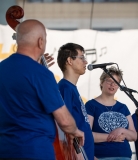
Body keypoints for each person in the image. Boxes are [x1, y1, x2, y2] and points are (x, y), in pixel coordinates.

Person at [0, 19, 84, 160]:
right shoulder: (40, 73)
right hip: (35, 150)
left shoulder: (2, 69)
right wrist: (75, 130)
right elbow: (64, 120)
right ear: (40, 42)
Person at [85, 66, 137, 160]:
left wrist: (121, 130)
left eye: (116, 82)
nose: (112, 84)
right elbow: (87, 135)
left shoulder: (123, 107)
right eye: (109, 81)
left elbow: (134, 136)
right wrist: (113, 137)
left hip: (124, 155)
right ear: (101, 82)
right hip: (102, 156)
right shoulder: (91, 105)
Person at [57, 43, 94, 160]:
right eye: (82, 58)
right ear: (69, 60)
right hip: (77, 154)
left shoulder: (71, 88)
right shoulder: (65, 88)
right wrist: (76, 152)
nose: (86, 62)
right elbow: (64, 126)